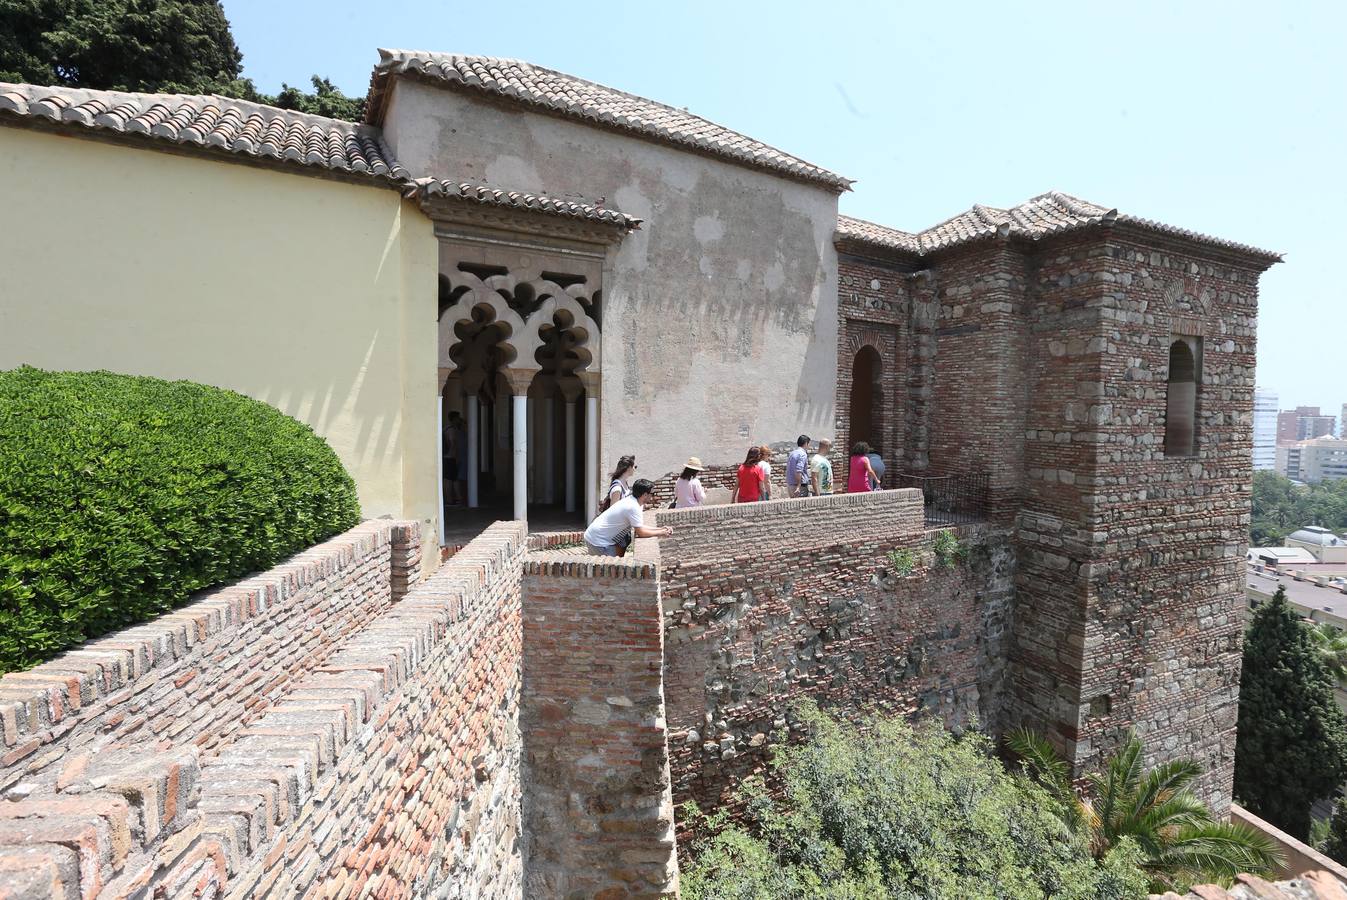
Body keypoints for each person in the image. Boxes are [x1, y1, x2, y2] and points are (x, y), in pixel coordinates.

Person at [582, 477, 672, 556]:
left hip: (594, 536)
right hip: (598, 541)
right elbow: (641, 532)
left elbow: (639, 526)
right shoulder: (633, 507)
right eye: (652, 493)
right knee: (612, 571)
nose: (653, 496)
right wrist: (661, 533)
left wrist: (661, 529)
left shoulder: (632, 501)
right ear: (645, 495)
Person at [443, 411, 465, 506]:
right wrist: (456, 457)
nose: (459, 420)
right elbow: (452, 444)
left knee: (451, 479)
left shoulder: (445, 428)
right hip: (450, 458)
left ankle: (454, 499)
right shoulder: (451, 430)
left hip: (447, 457)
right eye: (458, 418)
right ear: (454, 418)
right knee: (450, 479)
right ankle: (451, 499)